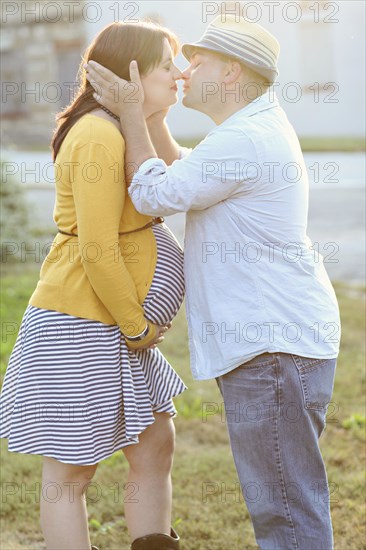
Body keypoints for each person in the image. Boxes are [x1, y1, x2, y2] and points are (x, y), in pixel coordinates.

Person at [85, 14, 341, 550]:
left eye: (196, 61)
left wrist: (133, 115)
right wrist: (152, 115)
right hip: (282, 344)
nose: (182, 70)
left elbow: (155, 194)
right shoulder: (249, 129)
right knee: (288, 497)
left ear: (230, 73)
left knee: (286, 510)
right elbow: (179, 167)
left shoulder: (246, 139)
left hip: (273, 349)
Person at [0, 21, 187, 550]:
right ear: (127, 73)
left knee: (154, 447)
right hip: (83, 324)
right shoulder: (98, 135)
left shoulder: (126, 127)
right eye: (166, 67)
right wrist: (136, 324)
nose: (180, 74)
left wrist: (152, 112)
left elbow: (174, 180)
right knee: (70, 474)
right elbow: (98, 247)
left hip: (119, 325)